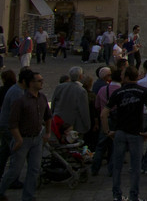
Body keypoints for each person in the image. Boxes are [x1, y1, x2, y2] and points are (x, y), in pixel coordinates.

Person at [103, 66, 147, 201]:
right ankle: (134, 196)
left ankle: (117, 195)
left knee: (117, 166)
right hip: (136, 132)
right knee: (136, 167)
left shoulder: (118, 93)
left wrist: (107, 131)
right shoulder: (143, 91)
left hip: (120, 131)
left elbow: (104, 114)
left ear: (125, 77)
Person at [0, 70, 50, 201]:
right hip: (23, 138)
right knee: (14, 170)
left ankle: (28, 196)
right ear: (30, 83)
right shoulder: (20, 99)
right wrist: (17, 139)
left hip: (37, 138)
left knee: (34, 169)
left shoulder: (42, 97)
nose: (42, 83)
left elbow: (48, 116)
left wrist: (48, 133)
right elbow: (12, 122)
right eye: (39, 81)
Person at [0, 68, 27, 177]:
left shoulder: (3, 90)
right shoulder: (16, 91)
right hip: (10, 125)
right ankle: (12, 177)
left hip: (4, 122)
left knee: (5, 150)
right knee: (15, 150)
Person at [50, 65, 90, 135]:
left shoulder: (60, 87)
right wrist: (87, 125)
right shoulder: (81, 91)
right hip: (73, 124)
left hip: (57, 120)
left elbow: (53, 103)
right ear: (80, 76)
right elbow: (84, 110)